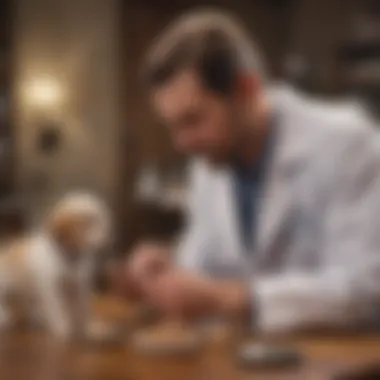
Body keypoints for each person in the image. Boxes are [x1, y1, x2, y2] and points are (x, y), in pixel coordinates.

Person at [126, 9, 380, 332]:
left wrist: (234, 298)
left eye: (192, 120)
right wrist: (170, 266)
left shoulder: (348, 144)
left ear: (246, 89)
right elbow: (205, 265)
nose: (182, 143)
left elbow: (368, 289)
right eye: (172, 127)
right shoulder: (210, 161)